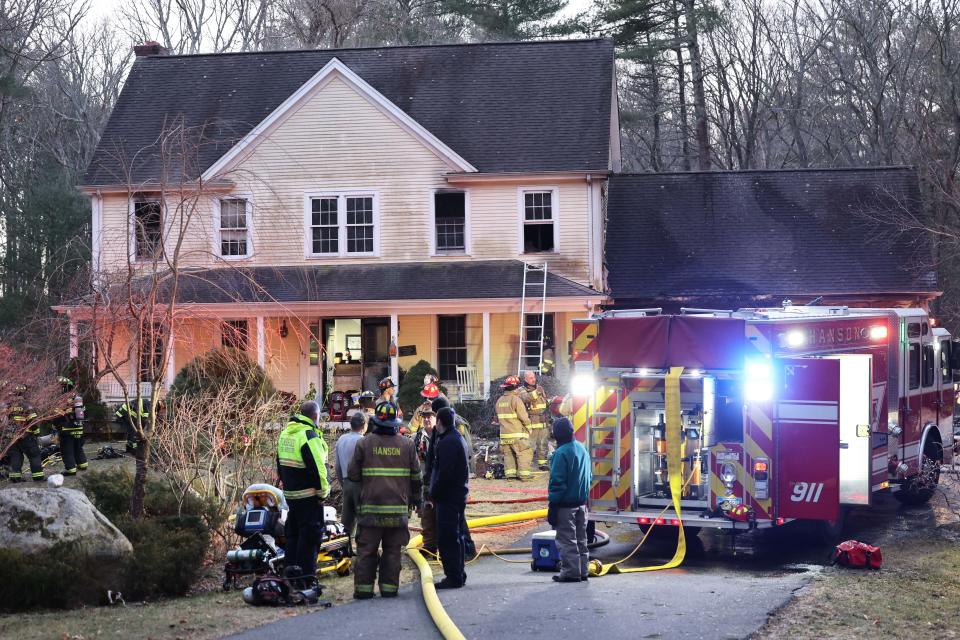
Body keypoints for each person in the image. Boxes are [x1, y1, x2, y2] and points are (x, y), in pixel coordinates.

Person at [348, 401, 421, 599]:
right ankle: (389, 590)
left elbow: (352, 475)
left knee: (366, 551)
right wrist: (418, 501)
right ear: (395, 423)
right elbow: (416, 477)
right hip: (397, 512)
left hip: (370, 511)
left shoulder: (364, 443)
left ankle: (363, 591)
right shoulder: (407, 445)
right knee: (392, 551)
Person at [276, 401, 329, 584]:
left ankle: (289, 578)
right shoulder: (309, 435)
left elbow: (279, 465)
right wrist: (323, 493)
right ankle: (306, 580)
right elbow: (319, 469)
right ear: (315, 416)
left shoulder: (285, 434)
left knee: (293, 537)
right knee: (309, 539)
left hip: (291, 497)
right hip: (309, 497)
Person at [430, 396, 476, 558]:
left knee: (455, 519)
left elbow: (441, 458)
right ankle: (464, 549)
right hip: (458, 480)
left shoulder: (449, 429)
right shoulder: (451, 424)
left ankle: (467, 549)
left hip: (453, 483)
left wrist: (434, 486)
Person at [547, 417, 592, 583]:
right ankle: (583, 571)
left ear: (557, 435)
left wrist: (553, 505)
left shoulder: (561, 453)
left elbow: (557, 482)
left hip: (565, 506)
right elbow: (589, 476)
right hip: (582, 504)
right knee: (581, 540)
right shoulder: (582, 448)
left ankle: (571, 573)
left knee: (567, 541)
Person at [430, 407, 469, 589]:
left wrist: (434, 493)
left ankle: (453, 576)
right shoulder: (457, 438)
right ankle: (458, 573)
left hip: (448, 497)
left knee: (448, 537)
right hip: (457, 494)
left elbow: (444, 473)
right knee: (457, 535)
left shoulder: (447, 443)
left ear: (439, 422)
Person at [335, 412, 367, 555]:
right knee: (362, 518)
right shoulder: (363, 441)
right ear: (363, 425)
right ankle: (362, 550)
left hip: (346, 482)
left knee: (346, 519)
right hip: (361, 483)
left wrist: (342, 482)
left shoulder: (341, 439)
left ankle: (344, 549)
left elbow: (336, 465)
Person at [495, 376, 532, 481]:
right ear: (515, 388)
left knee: (508, 455)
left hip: (504, 435)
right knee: (524, 453)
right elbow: (523, 416)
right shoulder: (516, 400)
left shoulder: (499, 401)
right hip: (517, 434)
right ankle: (524, 475)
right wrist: (529, 427)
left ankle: (510, 475)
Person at [412, 406, 438, 553]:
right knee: (425, 515)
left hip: (438, 481)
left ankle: (441, 544)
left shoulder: (441, 435)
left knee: (439, 513)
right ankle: (429, 545)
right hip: (422, 482)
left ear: (436, 418)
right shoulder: (416, 438)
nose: (427, 419)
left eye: (430, 416)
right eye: (425, 417)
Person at [7, 385, 42, 482]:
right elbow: (33, 421)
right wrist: (36, 432)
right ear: (24, 393)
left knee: (15, 456)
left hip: (12, 436)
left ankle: (15, 477)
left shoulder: (9, 406)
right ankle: (38, 477)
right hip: (26, 436)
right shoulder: (27, 405)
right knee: (34, 455)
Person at [56, 377, 88, 476]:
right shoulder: (78, 398)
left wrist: (55, 425)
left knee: (67, 450)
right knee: (78, 447)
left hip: (67, 429)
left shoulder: (62, 399)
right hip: (79, 427)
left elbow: (57, 416)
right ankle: (83, 465)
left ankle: (70, 469)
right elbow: (83, 412)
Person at [520, 370, 550, 471]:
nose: (533, 380)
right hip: (531, 423)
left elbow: (544, 402)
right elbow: (525, 398)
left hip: (542, 422)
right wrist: (537, 392)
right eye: (531, 378)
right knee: (530, 445)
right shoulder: (522, 390)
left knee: (543, 444)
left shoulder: (539, 388)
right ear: (525, 379)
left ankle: (543, 463)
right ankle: (526, 465)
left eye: (534, 377)